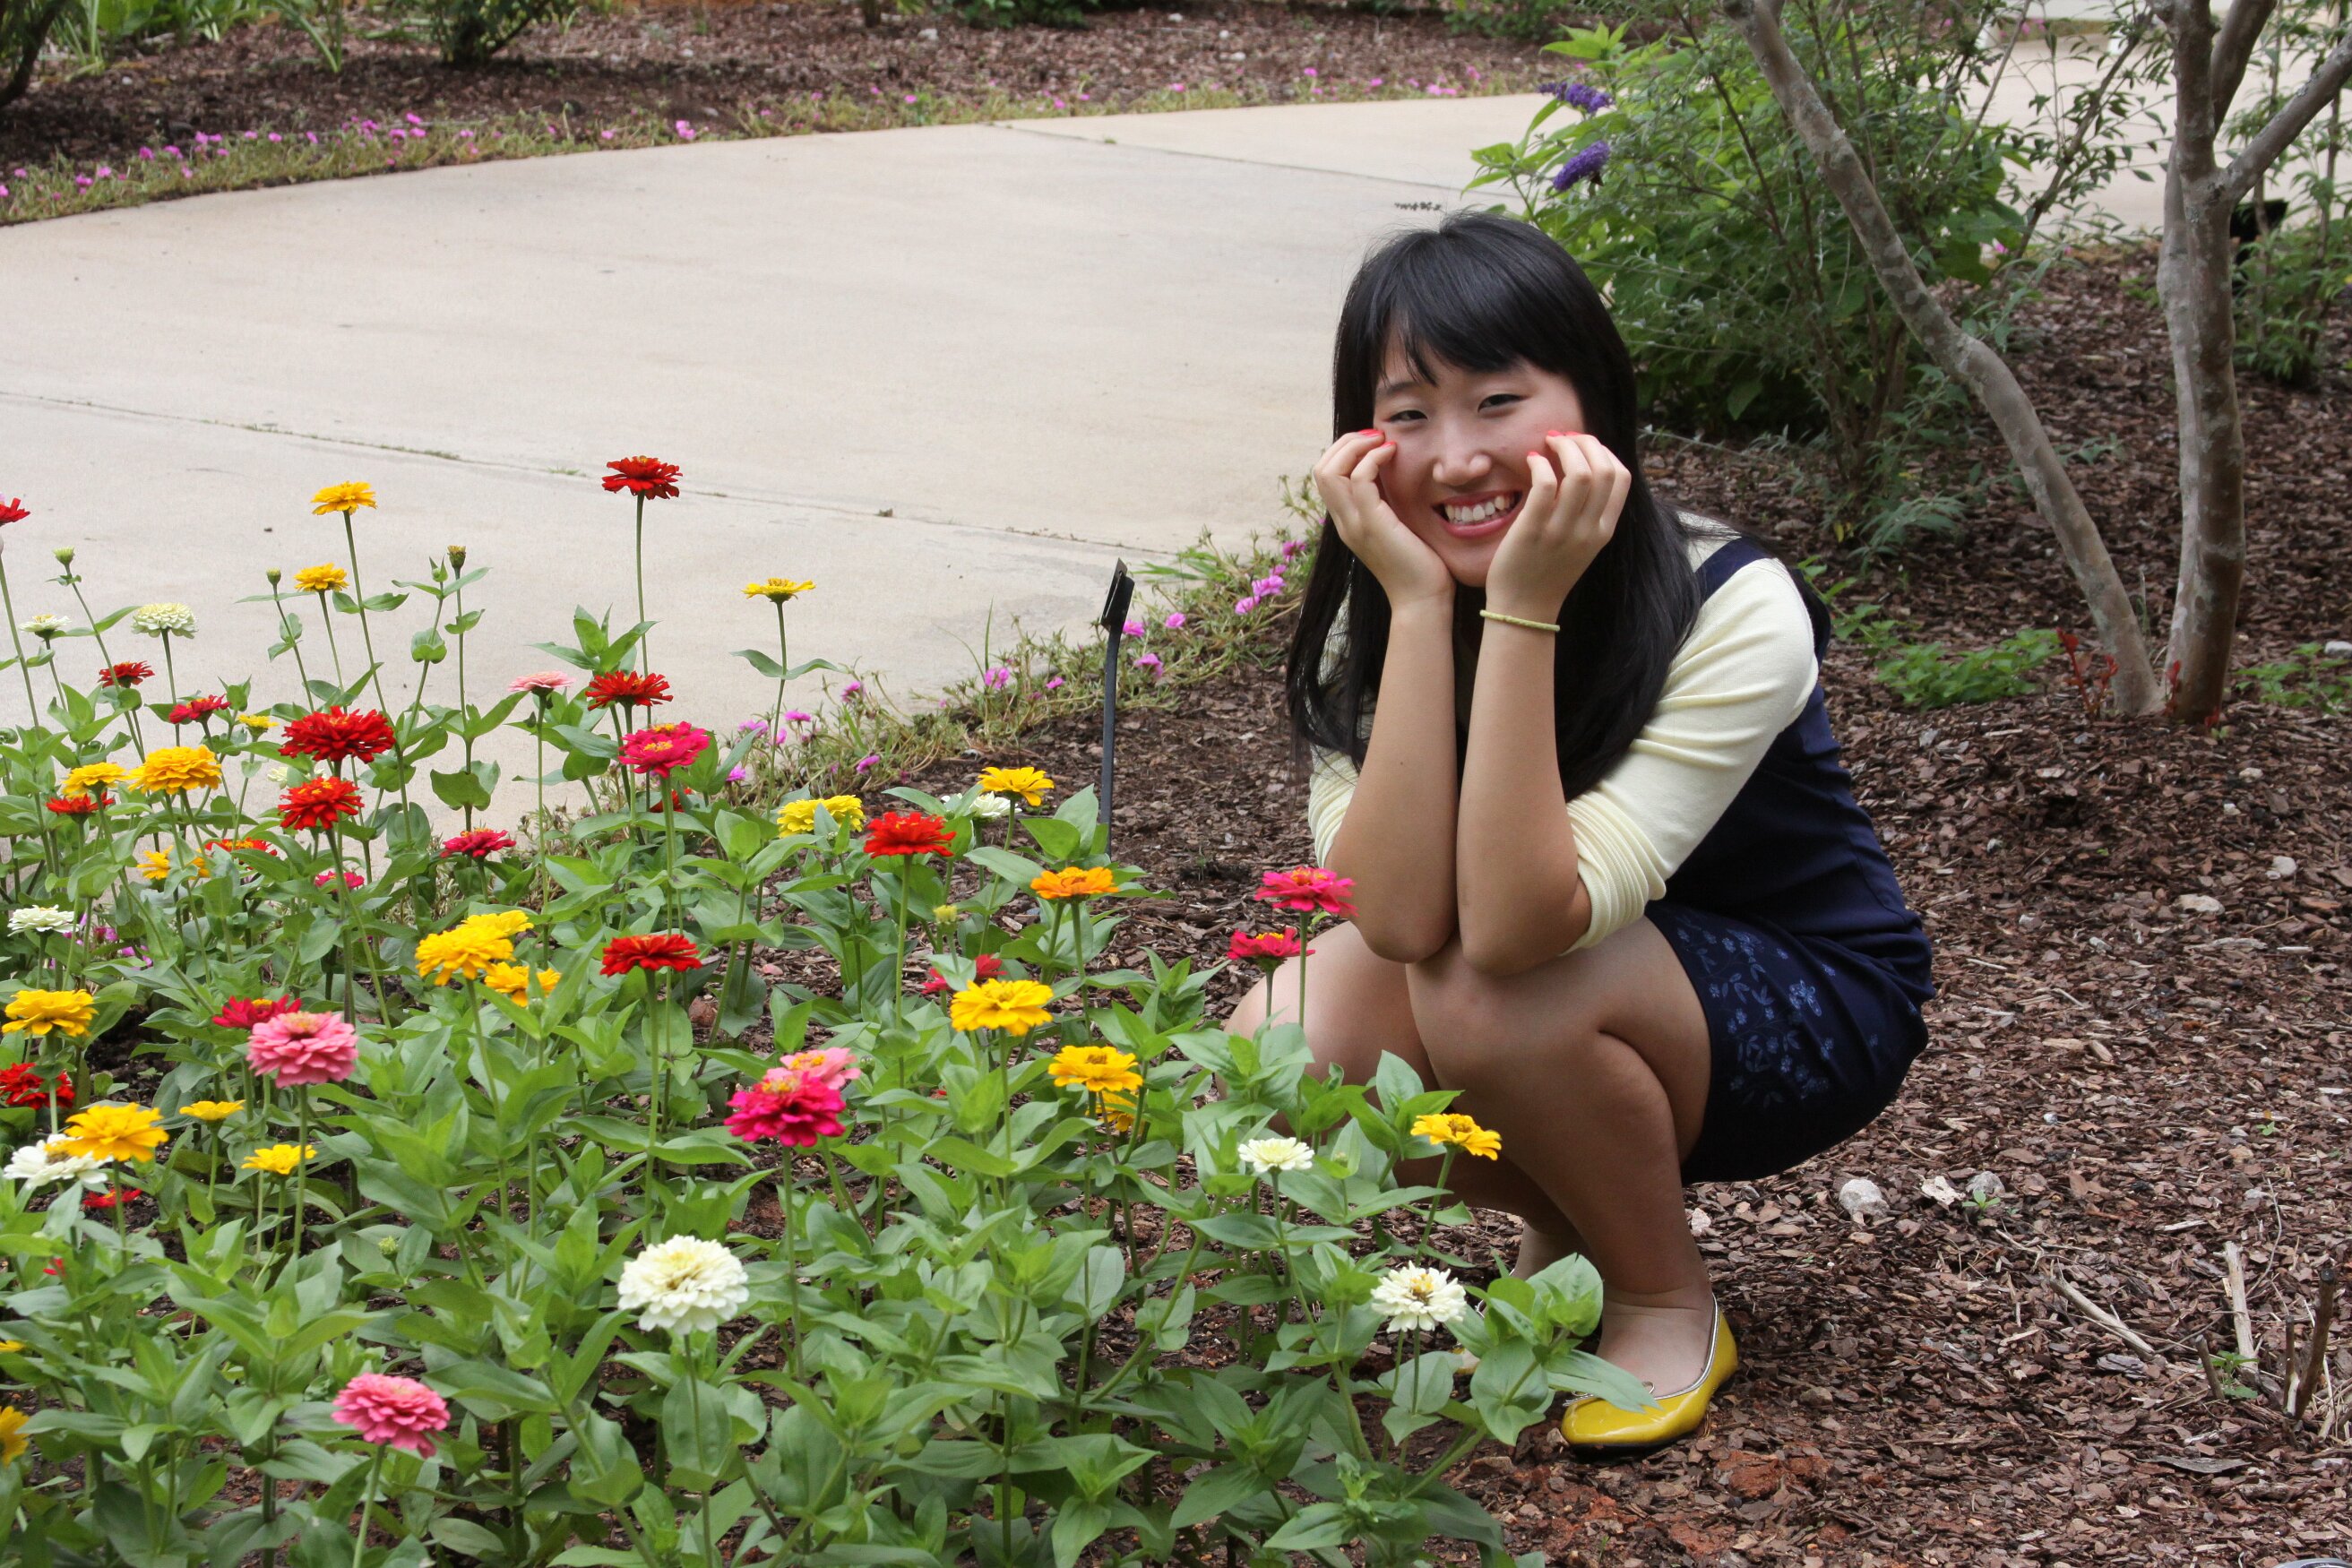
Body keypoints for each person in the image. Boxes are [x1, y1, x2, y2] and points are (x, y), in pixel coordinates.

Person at [1221, 211, 1935, 1452]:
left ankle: (1660, 1293)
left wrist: (1525, 606)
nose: (1455, 458)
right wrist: (1413, 606)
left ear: (1592, 401)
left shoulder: (1732, 599)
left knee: (1494, 984)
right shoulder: (1372, 609)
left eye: (1498, 401)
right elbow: (1394, 917)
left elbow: (1511, 926)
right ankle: (1572, 1221)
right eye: (1406, 414)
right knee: (1284, 1043)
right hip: (1548, 974)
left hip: (1797, 999)